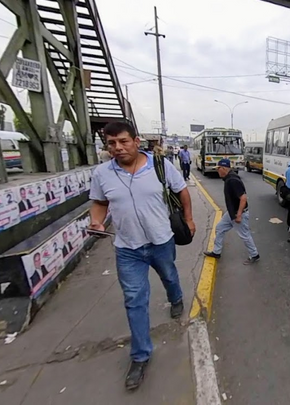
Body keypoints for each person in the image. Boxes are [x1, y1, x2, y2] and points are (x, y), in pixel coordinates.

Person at [88, 121, 195, 391]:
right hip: (127, 248)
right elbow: (100, 203)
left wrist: (189, 219)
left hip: (161, 241)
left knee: (169, 276)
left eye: (123, 141)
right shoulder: (102, 174)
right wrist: (97, 222)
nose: (118, 148)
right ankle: (140, 356)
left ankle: (177, 298)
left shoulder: (160, 166)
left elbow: (182, 191)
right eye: (111, 143)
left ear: (136, 141)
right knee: (134, 300)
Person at [203, 159, 260, 264]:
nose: (217, 171)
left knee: (244, 235)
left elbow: (243, 198)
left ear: (224, 168)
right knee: (220, 228)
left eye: (218, 168)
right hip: (231, 213)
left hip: (238, 213)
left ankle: (254, 254)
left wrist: (238, 215)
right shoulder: (228, 178)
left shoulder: (232, 180)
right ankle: (216, 252)